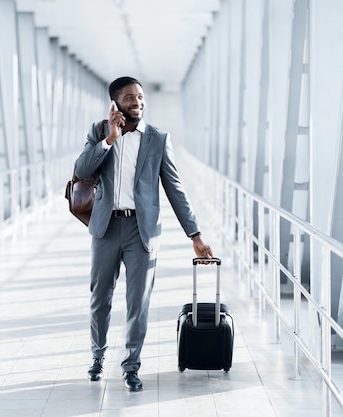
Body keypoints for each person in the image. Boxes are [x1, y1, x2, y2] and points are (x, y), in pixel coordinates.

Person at [73, 76, 213, 392]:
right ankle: (97, 358)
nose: (137, 102)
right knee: (100, 299)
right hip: (106, 228)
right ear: (115, 103)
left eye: (140, 97)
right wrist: (109, 139)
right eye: (129, 98)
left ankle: (131, 367)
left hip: (142, 230)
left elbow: (175, 188)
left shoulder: (158, 139)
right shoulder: (99, 131)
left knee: (138, 303)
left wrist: (195, 234)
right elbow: (82, 169)